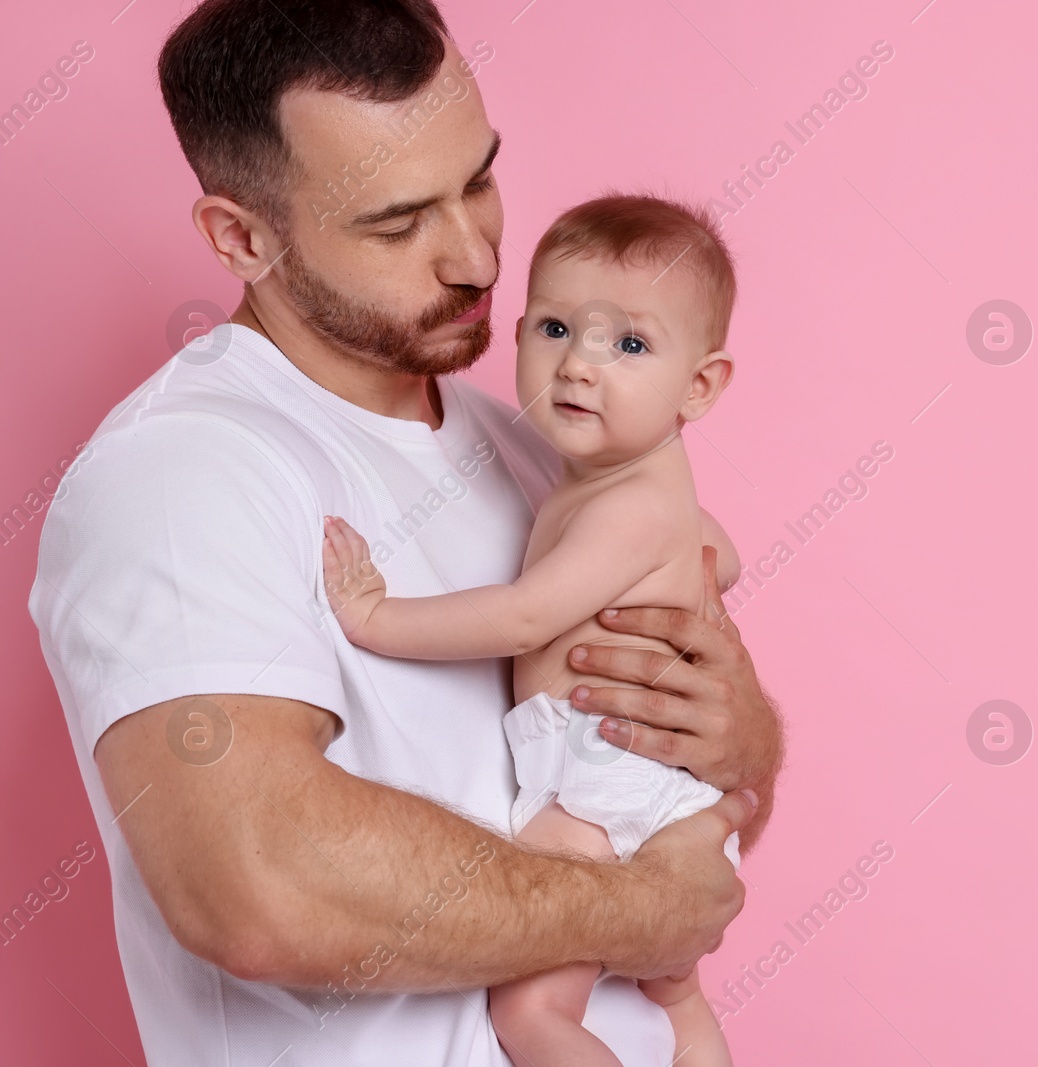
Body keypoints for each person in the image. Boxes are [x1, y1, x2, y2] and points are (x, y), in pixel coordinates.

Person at [27, 2, 783, 1065]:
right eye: (396, 222)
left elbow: (695, 823)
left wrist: (744, 737)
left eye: (477, 180)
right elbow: (258, 885)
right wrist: (628, 908)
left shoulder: (537, 448)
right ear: (241, 237)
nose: (476, 258)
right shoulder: (182, 473)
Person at [323, 193, 742, 1066]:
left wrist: (375, 614)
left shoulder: (626, 504)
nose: (579, 366)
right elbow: (721, 554)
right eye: (555, 329)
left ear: (699, 385)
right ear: (514, 334)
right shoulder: (636, 482)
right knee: (675, 993)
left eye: (628, 344)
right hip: (639, 771)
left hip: (599, 774)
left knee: (531, 1014)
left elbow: (523, 614)